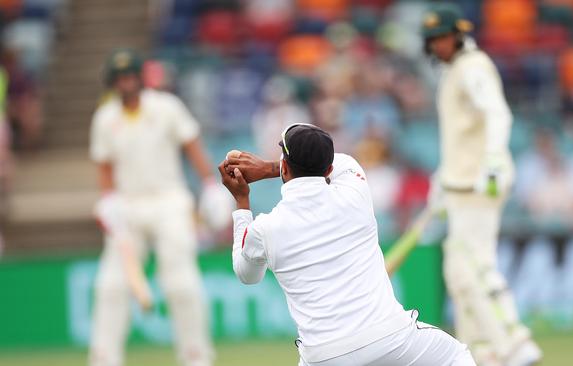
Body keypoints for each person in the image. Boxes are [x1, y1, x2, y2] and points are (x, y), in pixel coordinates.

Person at [219, 123, 476, 366]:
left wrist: (242, 203)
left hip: (322, 356)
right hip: (389, 338)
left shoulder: (265, 228)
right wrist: (268, 168)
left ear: (286, 168)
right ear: (328, 170)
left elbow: (248, 275)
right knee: (456, 357)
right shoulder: (355, 190)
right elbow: (340, 160)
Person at [89, 48, 229, 366]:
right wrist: (107, 200)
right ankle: (103, 357)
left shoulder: (166, 107)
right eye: (119, 78)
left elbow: (192, 145)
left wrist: (210, 185)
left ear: (140, 78)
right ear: (112, 83)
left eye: (130, 76)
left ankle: (196, 356)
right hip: (127, 206)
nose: (126, 83)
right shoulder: (105, 118)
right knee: (111, 285)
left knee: (180, 281)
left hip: (169, 201)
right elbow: (105, 168)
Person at [422, 4, 542, 366]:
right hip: (460, 183)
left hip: (480, 183)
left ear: (458, 35)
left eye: (444, 37)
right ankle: (481, 353)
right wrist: (442, 180)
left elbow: (496, 113)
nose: (439, 46)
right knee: (458, 274)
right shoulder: (453, 71)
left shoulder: (473, 67)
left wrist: (492, 160)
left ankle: (515, 343)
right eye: (433, 40)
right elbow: (460, 137)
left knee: (474, 264)